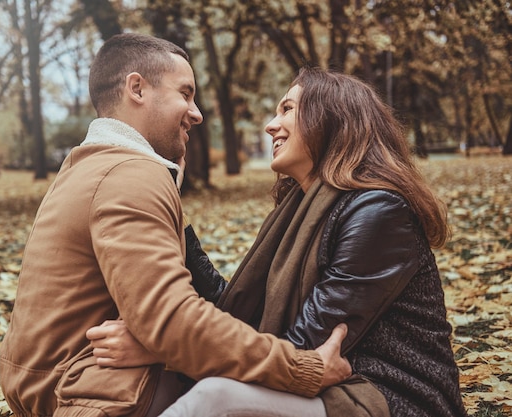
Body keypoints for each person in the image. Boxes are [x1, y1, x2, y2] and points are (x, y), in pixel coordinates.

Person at [0, 33, 351, 417]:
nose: (196, 112)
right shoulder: (129, 176)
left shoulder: (88, 167)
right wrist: (303, 369)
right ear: (137, 88)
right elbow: (173, 320)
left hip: (50, 386)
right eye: (185, 93)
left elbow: (174, 315)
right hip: (93, 396)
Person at [86, 67, 469, 417]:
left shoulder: (378, 212)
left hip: (387, 395)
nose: (272, 125)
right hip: (320, 383)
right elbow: (234, 310)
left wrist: (164, 351)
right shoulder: (297, 208)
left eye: (287, 109)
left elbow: (300, 349)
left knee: (215, 399)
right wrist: (174, 210)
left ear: (332, 118)